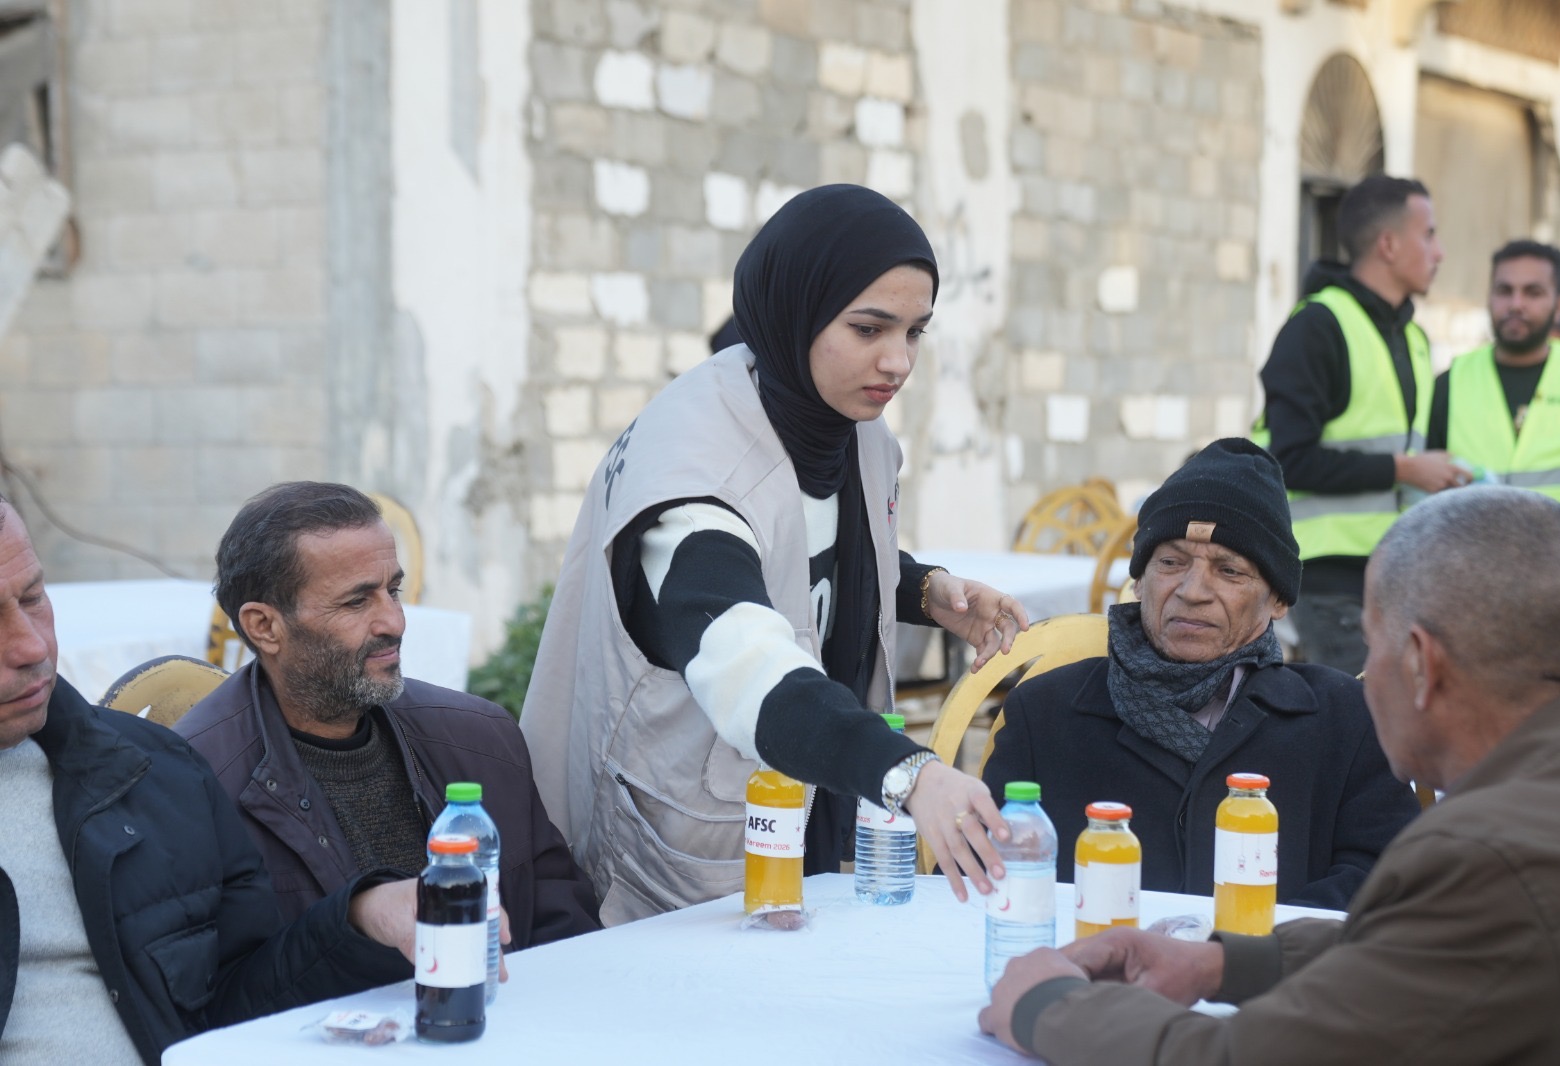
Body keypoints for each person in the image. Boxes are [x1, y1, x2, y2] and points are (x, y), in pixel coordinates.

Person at [523, 184, 1031, 924]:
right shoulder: (694, 479)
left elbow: (806, 548)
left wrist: (925, 591)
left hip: (797, 796)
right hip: (680, 841)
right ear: (795, 307)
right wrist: (909, 774)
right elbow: (747, 663)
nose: (898, 362)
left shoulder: (830, 418)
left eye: (915, 332)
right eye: (869, 328)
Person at [979, 486, 1560, 1064]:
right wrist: (1223, 963)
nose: (1194, 591)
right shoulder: (1559, 793)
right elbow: (1430, 949)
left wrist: (1051, 1007)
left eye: (1369, 646)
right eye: (1172, 563)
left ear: (1419, 664)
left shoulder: (1488, 854)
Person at [0, 495, 416, 1064]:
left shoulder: (155, 774)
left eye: (32, 598)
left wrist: (361, 919)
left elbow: (235, 1004)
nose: (28, 645)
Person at [983, 439, 1417, 909]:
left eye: (1229, 570)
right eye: (1171, 562)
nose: (1193, 591)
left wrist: (1244, 951)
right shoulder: (1044, 713)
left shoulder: (1345, 721)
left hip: (1275, 976)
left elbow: (1386, 880)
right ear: (1139, 578)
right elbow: (981, 878)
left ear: (1278, 600)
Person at [176, 482, 600, 948]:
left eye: (392, 590)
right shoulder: (194, 787)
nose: (394, 622)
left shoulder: (480, 740)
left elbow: (567, 933)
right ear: (265, 626)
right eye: (357, 601)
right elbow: (214, 998)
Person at [1256, 175, 1463, 675]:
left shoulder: (1411, 335)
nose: (1439, 252)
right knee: (1360, 731)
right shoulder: (1318, 326)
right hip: (1321, 579)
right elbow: (1289, 459)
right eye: (1429, 234)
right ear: (1388, 245)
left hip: (1389, 574)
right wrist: (1404, 469)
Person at [1426, 241, 1560, 507]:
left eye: (1533, 292)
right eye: (1504, 291)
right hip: (1472, 547)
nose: (1516, 304)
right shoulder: (1450, 382)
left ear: (1559, 303)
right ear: (1488, 295)